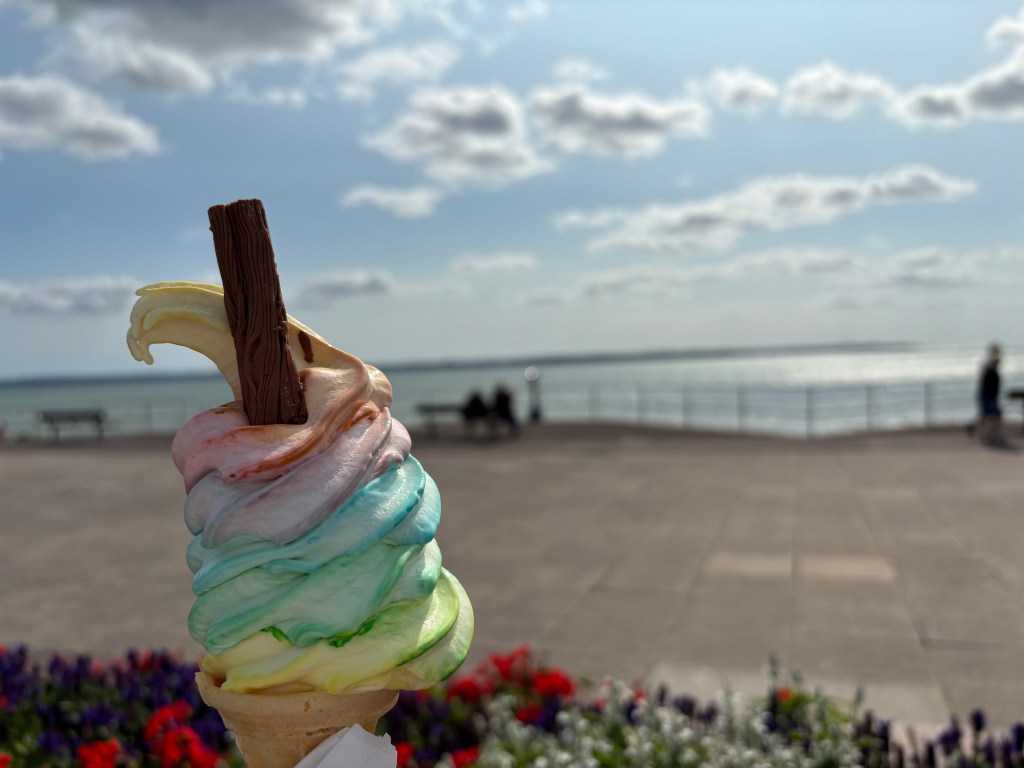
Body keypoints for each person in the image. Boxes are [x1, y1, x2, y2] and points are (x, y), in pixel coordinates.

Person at [977, 343, 1004, 445]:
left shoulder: (991, 371)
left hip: (989, 396)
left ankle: (988, 434)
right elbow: (988, 387)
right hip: (988, 396)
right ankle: (989, 435)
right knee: (992, 415)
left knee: (988, 415)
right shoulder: (990, 371)